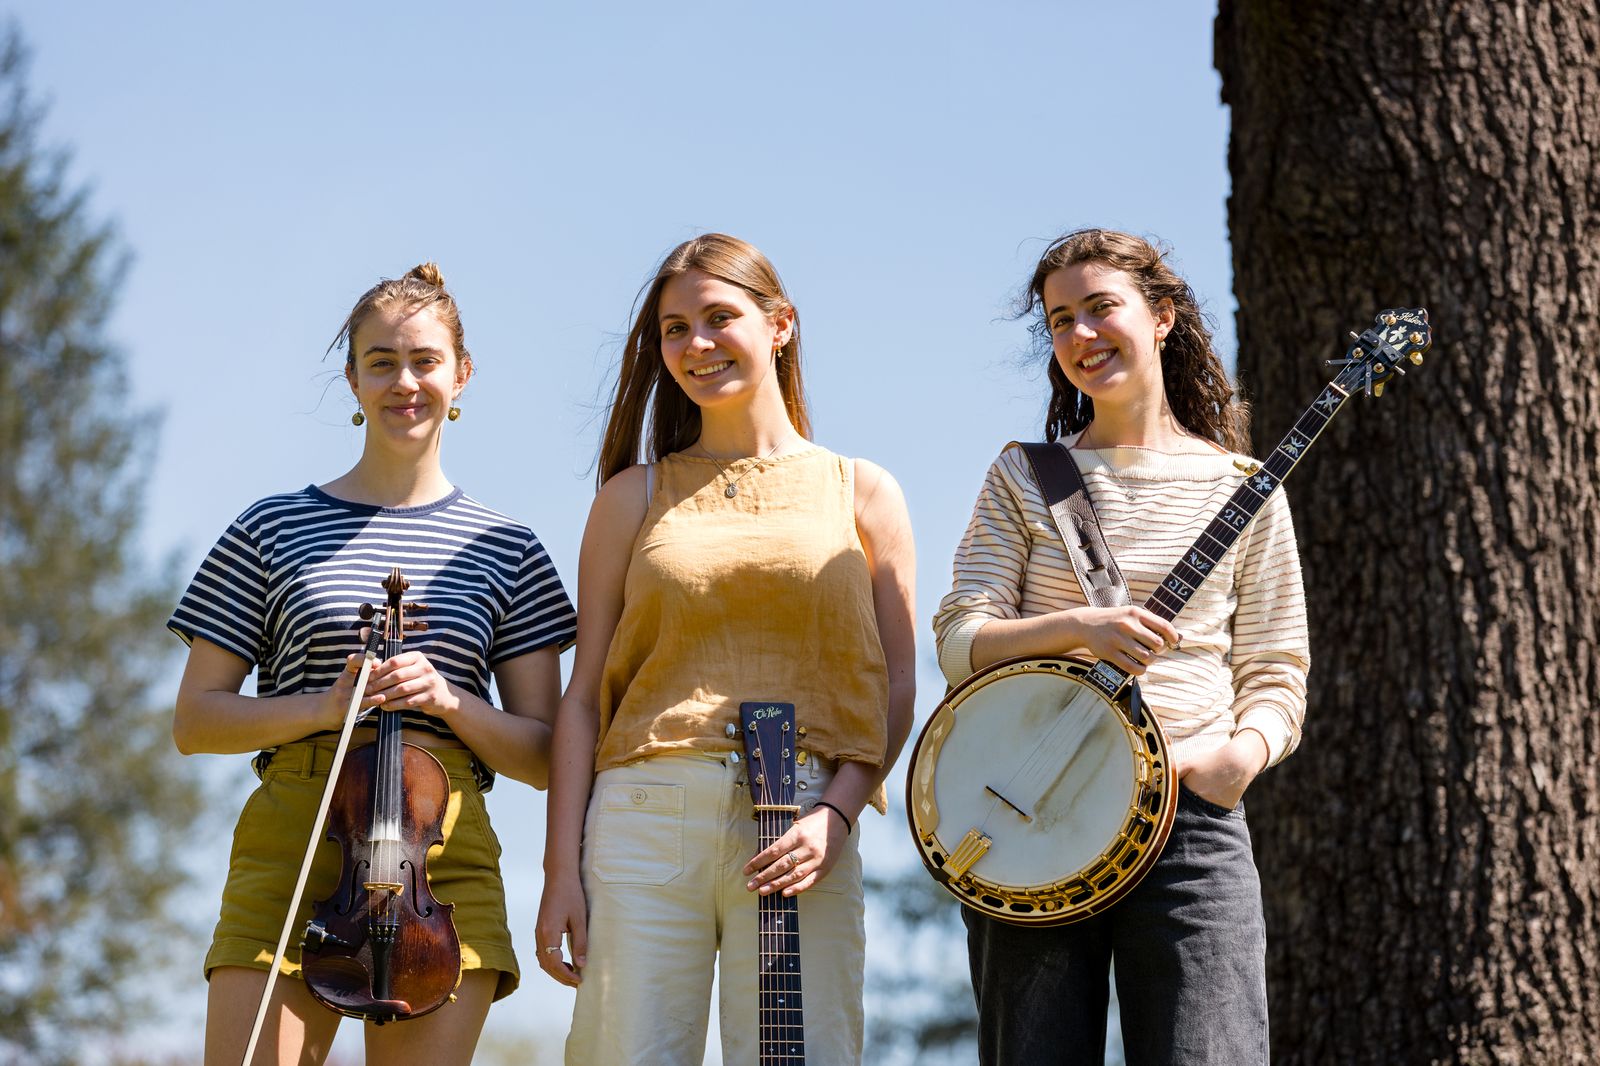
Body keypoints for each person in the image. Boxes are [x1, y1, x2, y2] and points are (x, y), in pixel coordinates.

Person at [168, 263, 576, 1066]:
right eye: (381, 362)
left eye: (425, 360)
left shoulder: (510, 548)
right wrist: (323, 706)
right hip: (298, 832)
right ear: (352, 379)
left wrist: (451, 701)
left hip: (439, 853)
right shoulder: (270, 526)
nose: (404, 382)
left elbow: (544, 756)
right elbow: (195, 720)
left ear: (462, 375)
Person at [534, 233, 916, 1064]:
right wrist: (560, 870)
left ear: (781, 324)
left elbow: (894, 685)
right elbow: (584, 697)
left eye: (718, 318)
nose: (696, 344)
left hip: (803, 819)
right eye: (675, 329)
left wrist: (840, 811)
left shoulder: (863, 490)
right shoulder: (631, 497)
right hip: (645, 814)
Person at [933, 228, 1309, 1065]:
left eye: (1101, 307)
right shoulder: (1025, 476)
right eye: (1060, 320)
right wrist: (1079, 628)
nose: (1081, 334)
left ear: (1162, 316)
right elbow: (961, 639)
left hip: (1190, 818)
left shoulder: (1244, 488)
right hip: (1034, 814)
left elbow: (1277, 670)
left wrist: (1238, 758)